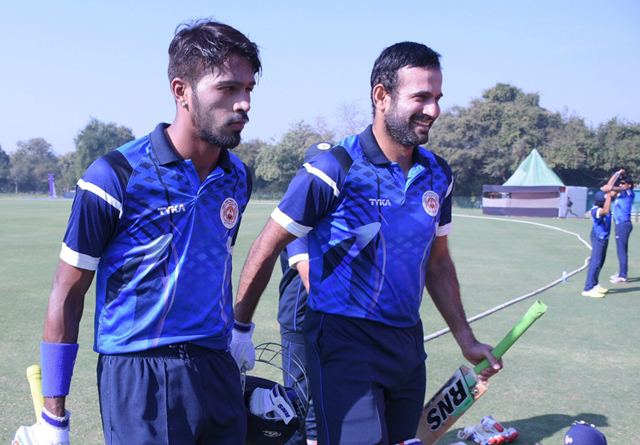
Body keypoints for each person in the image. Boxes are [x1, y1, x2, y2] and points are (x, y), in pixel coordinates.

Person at [234, 41, 501, 445]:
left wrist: (465, 337)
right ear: (381, 96)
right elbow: (269, 244)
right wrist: (239, 328)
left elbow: (438, 263)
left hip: (407, 344)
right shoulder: (333, 167)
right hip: (343, 341)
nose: (433, 110)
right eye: (421, 97)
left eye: (437, 98)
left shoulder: (438, 175)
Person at [30, 19, 260, 445]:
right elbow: (67, 293)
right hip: (141, 375)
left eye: (248, 89)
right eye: (227, 89)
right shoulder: (115, 175)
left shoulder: (238, 178)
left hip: (216, 367)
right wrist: (53, 416)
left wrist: (237, 335)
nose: (243, 103)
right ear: (181, 91)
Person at [278, 142, 331, 445]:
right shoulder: (299, 217)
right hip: (300, 318)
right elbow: (308, 274)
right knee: (299, 394)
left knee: (323, 388)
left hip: (325, 318)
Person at [582, 170, 624, 298]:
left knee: (600, 262)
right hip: (598, 238)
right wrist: (610, 196)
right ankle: (588, 288)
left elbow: (610, 186)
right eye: (607, 198)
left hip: (603, 237)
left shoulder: (602, 200)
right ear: (602, 201)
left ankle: (595, 284)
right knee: (595, 261)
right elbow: (605, 210)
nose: (609, 197)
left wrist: (617, 174)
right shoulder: (597, 210)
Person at [610, 175, 635, 283]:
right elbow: (611, 193)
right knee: (621, 250)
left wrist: (617, 174)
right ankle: (622, 272)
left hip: (623, 224)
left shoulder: (627, 193)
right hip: (620, 224)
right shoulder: (621, 194)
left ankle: (623, 275)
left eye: (623, 183)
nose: (621, 185)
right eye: (620, 183)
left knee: (621, 250)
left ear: (629, 185)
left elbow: (610, 187)